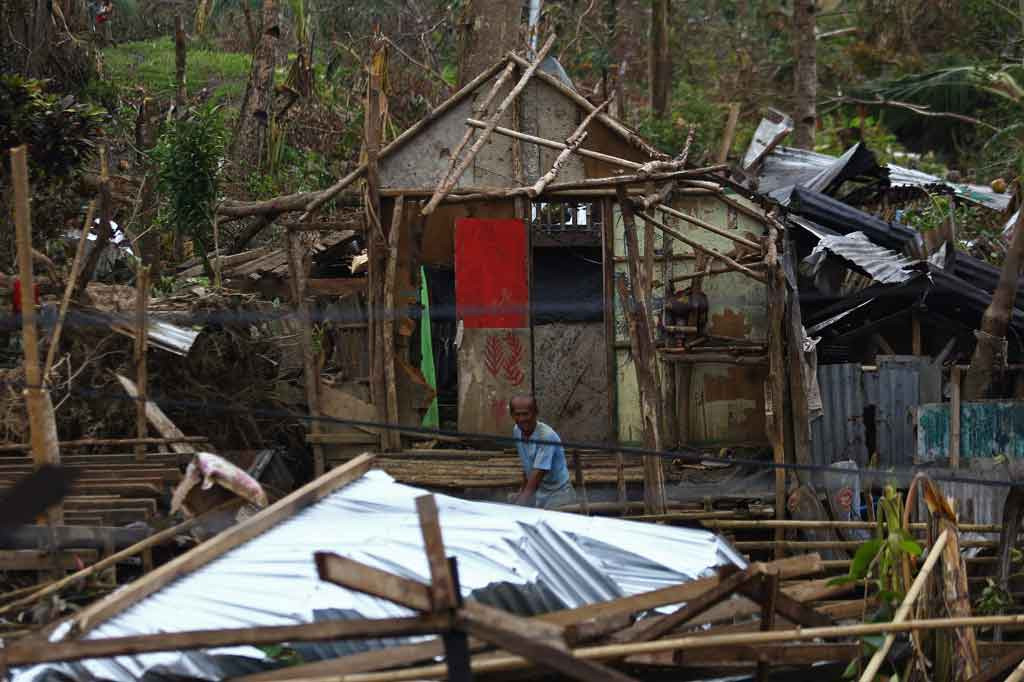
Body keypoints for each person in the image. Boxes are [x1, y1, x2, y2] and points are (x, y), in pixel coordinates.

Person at [509, 395, 576, 509]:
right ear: (512, 415)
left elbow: (537, 474)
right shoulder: (517, 431)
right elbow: (528, 465)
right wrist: (521, 492)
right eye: (517, 414)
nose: (521, 419)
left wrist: (517, 507)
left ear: (535, 413)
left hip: (559, 493)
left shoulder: (546, 436)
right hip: (541, 492)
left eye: (525, 414)